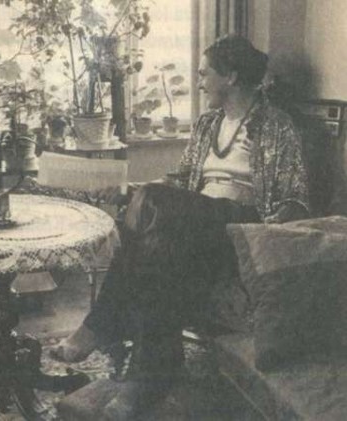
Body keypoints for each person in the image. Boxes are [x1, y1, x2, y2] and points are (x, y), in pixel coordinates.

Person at [51, 34, 310, 419]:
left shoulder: (276, 125)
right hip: (196, 228)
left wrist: (268, 235)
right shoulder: (208, 124)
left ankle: (102, 326)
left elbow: (295, 198)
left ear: (231, 77)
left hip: (241, 227)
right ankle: (152, 372)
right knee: (156, 244)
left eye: (205, 73)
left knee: (151, 203)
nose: (199, 81)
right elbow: (180, 179)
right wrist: (130, 191)